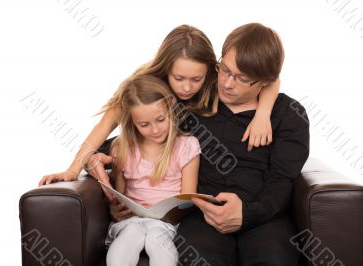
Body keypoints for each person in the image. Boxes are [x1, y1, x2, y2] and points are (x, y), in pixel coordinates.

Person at [38, 24, 281, 187]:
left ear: (211, 70)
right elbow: (105, 125)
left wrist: (262, 114)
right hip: (143, 155)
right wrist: (73, 169)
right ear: (166, 69)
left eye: (195, 79)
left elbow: (270, 78)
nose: (187, 88)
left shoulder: (217, 81)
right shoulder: (147, 88)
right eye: (179, 79)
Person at [173, 23, 310, 266]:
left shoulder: (287, 114)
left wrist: (247, 214)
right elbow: (146, 136)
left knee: (274, 259)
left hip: (265, 217)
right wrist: (99, 155)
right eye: (224, 69)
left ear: (265, 81)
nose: (226, 83)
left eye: (241, 78)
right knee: (198, 258)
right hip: (204, 215)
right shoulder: (198, 100)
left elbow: (282, 180)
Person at [103, 74, 201, 266]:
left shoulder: (187, 146)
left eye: (160, 119)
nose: (155, 130)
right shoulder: (122, 148)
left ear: (170, 108)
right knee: (132, 233)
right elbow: (119, 196)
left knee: (157, 237)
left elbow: (188, 198)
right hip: (131, 221)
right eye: (144, 125)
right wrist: (115, 210)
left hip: (166, 223)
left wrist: (165, 214)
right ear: (132, 122)